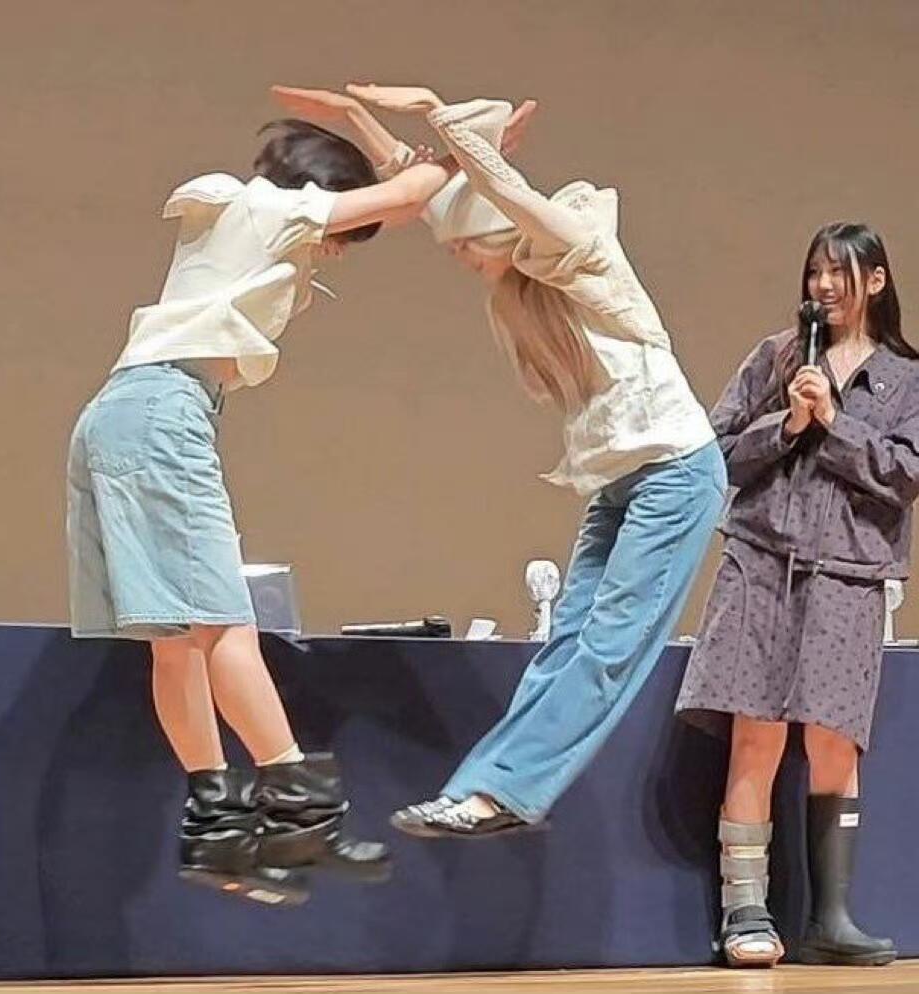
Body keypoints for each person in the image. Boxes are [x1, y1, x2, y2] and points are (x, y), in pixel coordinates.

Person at [66, 112, 454, 905]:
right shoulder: (272, 207)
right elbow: (409, 197)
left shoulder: (241, 220)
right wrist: (461, 146)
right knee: (223, 627)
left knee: (177, 642)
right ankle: (303, 814)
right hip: (164, 412)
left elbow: (394, 203)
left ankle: (219, 830)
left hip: (118, 413)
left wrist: (394, 171)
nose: (337, 248)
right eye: (344, 233)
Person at [324, 82, 725, 838]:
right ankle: (489, 794)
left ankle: (498, 794)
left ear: (501, 234)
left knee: (607, 650)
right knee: (565, 643)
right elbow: (439, 197)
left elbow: (503, 194)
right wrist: (357, 121)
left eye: (467, 244)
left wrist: (438, 112)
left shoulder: (585, 257)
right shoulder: (522, 285)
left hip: (677, 474)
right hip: (620, 486)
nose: (458, 255)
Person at [676, 223, 917, 967]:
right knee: (755, 732)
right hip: (761, 563)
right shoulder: (775, 357)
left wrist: (836, 425)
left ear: (876, 280)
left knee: (833, 740)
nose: (824, 285)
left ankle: (830, 918)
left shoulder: (907, 379)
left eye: (839, 272)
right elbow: (713, 455)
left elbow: (907, 475)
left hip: (849, 572)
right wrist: (786, 425)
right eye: (815, 271)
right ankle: (745, 910)